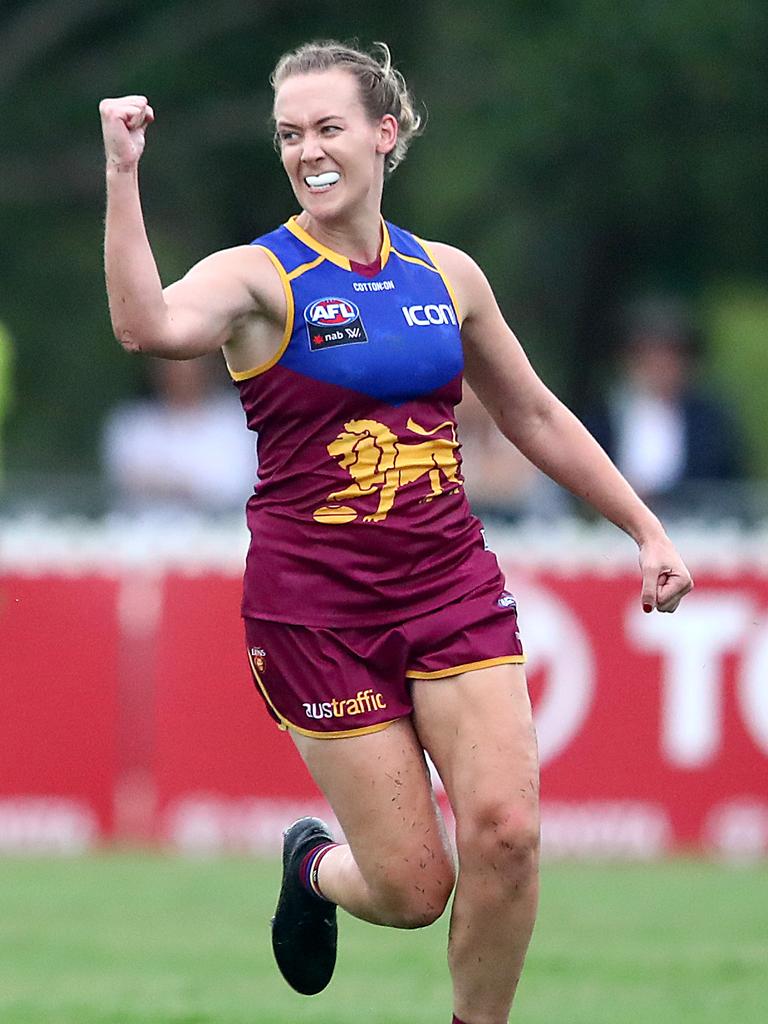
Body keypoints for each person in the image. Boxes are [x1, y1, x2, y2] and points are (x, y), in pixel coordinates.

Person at [99, 41, 692, 1024]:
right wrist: (124, 176)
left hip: (450, 587)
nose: (307, 151)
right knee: (417, 891)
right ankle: (314, 865)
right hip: (317, 617)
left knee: (505, 833)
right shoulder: (260, 276)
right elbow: (146, 326)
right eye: (290, 134)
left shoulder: (445, 274)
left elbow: (535, 414)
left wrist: (644, 527)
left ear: (384, 132)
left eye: (328, 127)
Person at [582, 299, 743, 517]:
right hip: (612, 523)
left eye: (670, 355)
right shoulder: (603, 415)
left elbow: (727, 484)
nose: (660, 365)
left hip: (693, 525)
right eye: (648, 354)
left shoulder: (709, 420)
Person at [102, 354, 257, 520]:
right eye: (169, 362)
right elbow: (126, 481)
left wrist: (169, 484)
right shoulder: (132, 425)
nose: (180, 371)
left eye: (189, 362)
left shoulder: (237, 423)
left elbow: (235, 486)